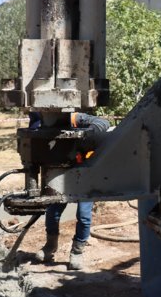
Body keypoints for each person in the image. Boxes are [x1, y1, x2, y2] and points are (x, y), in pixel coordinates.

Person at [31, 111, 110, 270]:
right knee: (53, 210)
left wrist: (82, 138)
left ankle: (77, 252)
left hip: (86, 173)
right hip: (63, 174)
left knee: (83, 214)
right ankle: (50, 247)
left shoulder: (76, 119)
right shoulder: (41, 126)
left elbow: (104, 123)